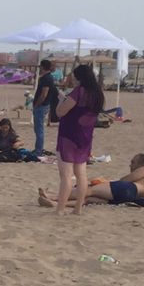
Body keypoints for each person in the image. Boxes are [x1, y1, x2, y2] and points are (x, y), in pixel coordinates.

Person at [52, 64, 105, 215]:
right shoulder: (98, 94)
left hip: (69, 134)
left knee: (66, 175)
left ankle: (61, 209)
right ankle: (78, 208)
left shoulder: (79, 91)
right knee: (81, 174)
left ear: (79, 77)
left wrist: (61, 100)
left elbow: (61, 112)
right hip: (85, 136)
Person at [39, 151, 144, 208]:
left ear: (142, 164)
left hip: (127, 189)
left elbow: (124, 180)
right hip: (127, 197)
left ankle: (53, 197)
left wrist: (106, 182)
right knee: (89, 199)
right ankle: (56, 204)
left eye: (133, 162)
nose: (130, 165)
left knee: (89, 190)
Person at [31, 57, 57, 157]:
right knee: (38, 129)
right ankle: (38, 148)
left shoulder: (47, 78)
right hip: (44, 105)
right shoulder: (47, 77)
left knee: (39, 129)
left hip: (42, 106)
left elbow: (44, 94)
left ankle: (39, 150)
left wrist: (37, 105)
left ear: (43, 67)